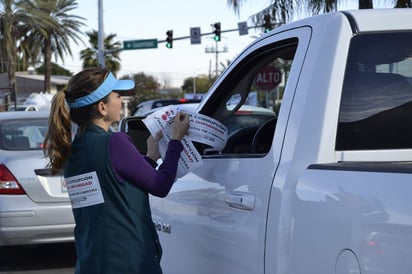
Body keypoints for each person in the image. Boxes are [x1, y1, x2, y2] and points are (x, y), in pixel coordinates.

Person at [43, 67, 189, 274]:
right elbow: (161, 185)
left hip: (92, 262)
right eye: (118, 96)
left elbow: (115, 189)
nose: (122, 101)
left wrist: (149, 158)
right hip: (128, 263)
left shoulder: (73, 149)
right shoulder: (114, 142)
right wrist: (175, 140)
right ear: (102, 107)